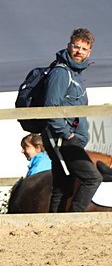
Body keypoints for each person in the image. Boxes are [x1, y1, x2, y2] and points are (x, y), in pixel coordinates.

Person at [40, 28, 100, 212]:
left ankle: (55, 226)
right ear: (69, 46)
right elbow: (51, 108)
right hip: (62, 139)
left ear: (89, 52)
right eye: (76, 46)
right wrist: (68, 135)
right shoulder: (61, 73)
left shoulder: (75, 74)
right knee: (93, 178)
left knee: (63, 186)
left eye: (84, 48)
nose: (79, 51)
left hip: (67, 139)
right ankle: (76, 216)